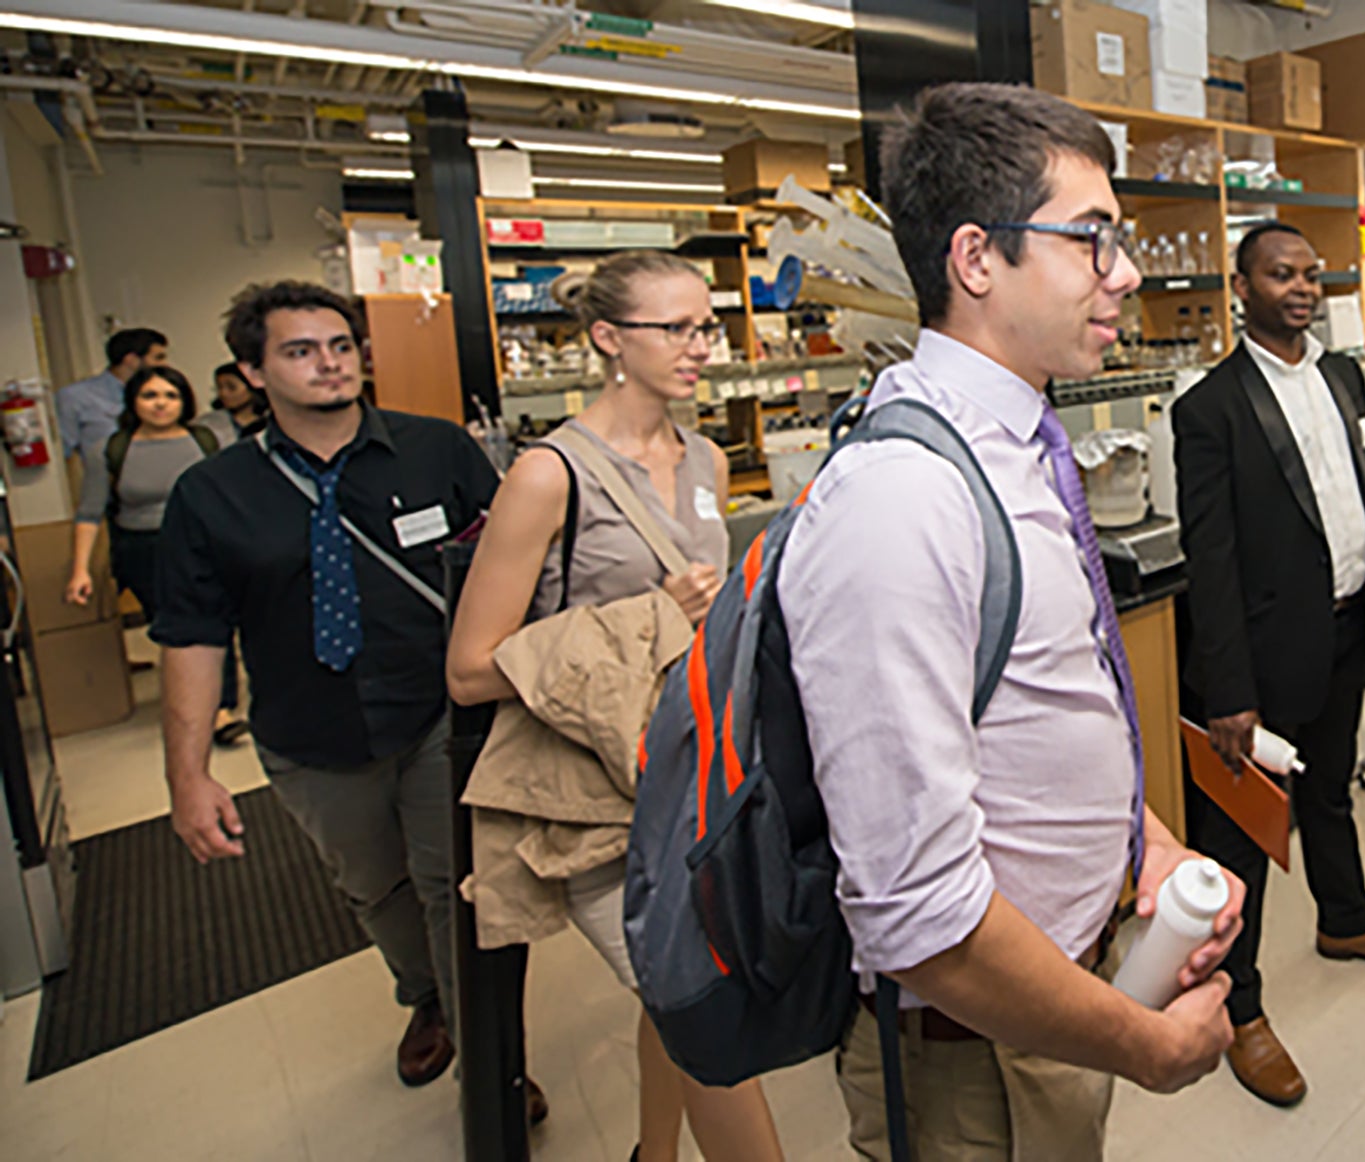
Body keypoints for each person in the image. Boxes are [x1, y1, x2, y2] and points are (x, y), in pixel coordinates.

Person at [778, 82, 1241, 1160]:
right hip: (970, 1048)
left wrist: (1147, 849)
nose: (1125, 272)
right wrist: (1145, 1045)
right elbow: (921, 915)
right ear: (978, 259)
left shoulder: (1016, 444)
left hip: (1062, 983)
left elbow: (1039, 710)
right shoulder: (902, 498)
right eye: (1092, 240)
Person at [447, 250, 781, 1162]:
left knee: (674, 993)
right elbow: (471, 668)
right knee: (708, 1016)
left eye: (705, 326)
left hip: (698, 779)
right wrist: (651, 616)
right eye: (674, 329)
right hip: (601, 803)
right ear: (606, 339)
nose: (700, 347)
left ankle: (651, 1155)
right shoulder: (549, 476)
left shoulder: (706, 456)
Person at [148, 281, 505, 1099]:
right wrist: (189, 773)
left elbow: (509, 563)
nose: (329, 364)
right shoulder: (212, 494)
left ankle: (489, 1072)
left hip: (436, 717)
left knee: (456, 887)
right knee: (375, 888)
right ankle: (424, 995)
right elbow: (193, 637)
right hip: (310, 734)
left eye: (340, 345)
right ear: (252, 370)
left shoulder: (436, 451)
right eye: (300, 351)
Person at [1172, 221, 1365, 1108]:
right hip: (1264, 652)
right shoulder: (1210, 408)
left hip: (1353, 630)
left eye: (1310, 272)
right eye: (1279, 274)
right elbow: (1209, 562)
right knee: (1245, 833)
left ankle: (1347, 922)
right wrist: (1228, 690)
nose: (1300, 286)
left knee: (1330, 790)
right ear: (1241, 287)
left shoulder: (1342, 375)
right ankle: (1237, 1007)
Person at [64, 366, 247, 745]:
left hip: (205, 543)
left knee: (215, 621)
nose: (161, 404)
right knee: (177, 628)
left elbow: (238, 497)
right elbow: (90, 511)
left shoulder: (209, 439)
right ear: (133, 402)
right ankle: (195, 702)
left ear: (185, 401)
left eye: (170, 395)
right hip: (145, 549)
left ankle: (220, 710)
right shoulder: (110, 449)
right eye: (150, 395)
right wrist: (80, 570)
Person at [56, 327, 170, 465]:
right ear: (131, 360)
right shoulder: (76, 396)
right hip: (109, 480)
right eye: (158, 358)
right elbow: (63, 452)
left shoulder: (164, 393)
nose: (164, 365)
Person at [195, 360, 268, 447]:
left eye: (231, 387)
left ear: (252, 387)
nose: (223, 393)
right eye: (219, 388)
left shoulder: (272, 419)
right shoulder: (205, 424)